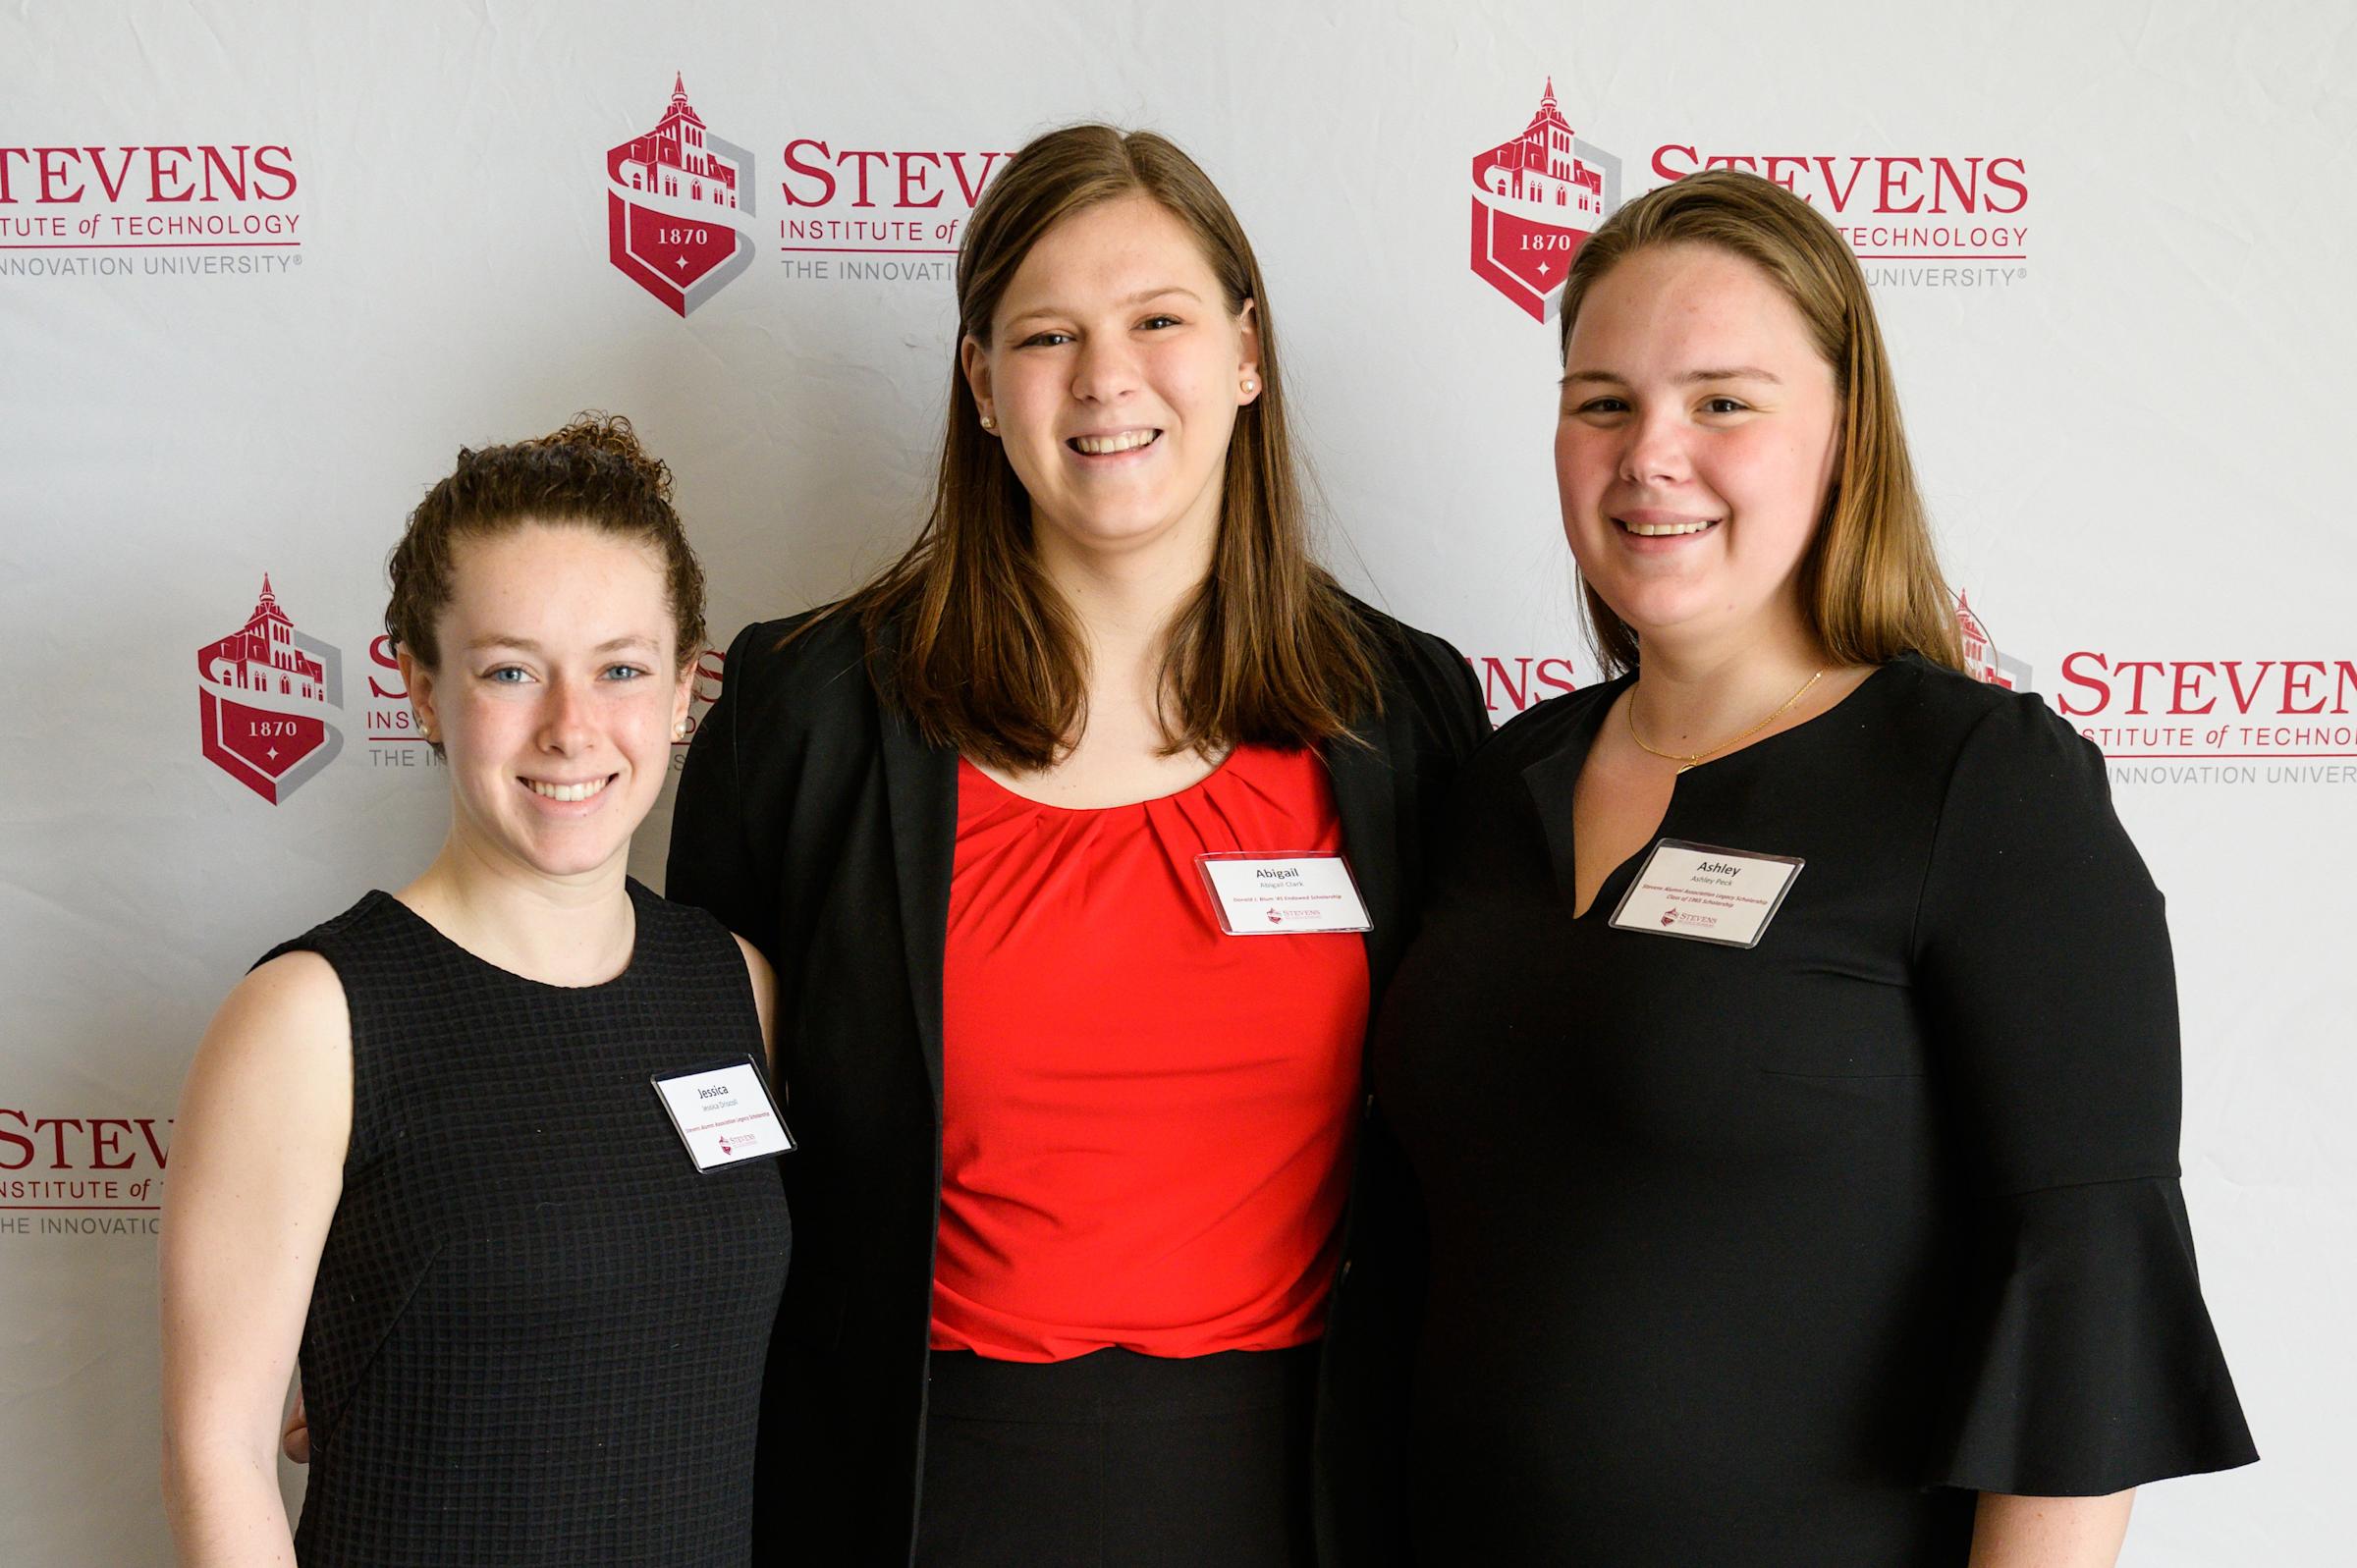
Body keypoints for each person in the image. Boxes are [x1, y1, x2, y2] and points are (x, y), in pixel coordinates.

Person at [1369, 170, 2257, 1566]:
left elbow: (2087, 1290)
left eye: (1723, 402)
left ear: (1844, 435)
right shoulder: (1498, 779)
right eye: (1602, 403)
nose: (1650, 455)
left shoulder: (1980, 784)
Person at [667, 124, 1487, 1568]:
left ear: (1247, 353)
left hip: (1304, 1492)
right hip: (914, 1489)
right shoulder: (807, 714)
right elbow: (689, 1125)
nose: (1107, 378)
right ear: (982, 385)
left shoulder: (1403, 712)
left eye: (1158, 321)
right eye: (1048, 335)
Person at [159, 417, 791, 1567]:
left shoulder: (733, 984)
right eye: (511, 671)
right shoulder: (314, 1018)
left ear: (682, 690)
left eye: (620, 669)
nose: (572, 728)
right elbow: (223, 1454)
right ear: (420, 687)